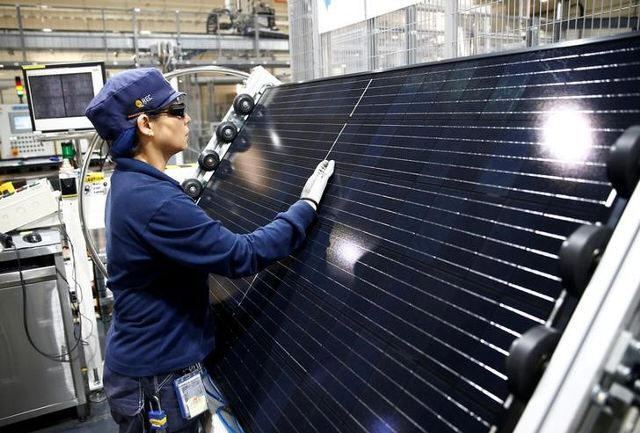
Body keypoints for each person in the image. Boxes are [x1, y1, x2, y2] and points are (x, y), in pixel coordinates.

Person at [85, 68, 335, 433]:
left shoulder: (132, 184)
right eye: (176, 110)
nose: (187, 118)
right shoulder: (153, 201)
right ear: (145, 124)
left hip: (154, 365)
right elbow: (241, 255)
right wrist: (305, 208)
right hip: (156, 380)